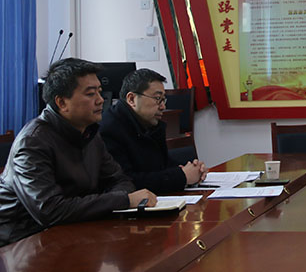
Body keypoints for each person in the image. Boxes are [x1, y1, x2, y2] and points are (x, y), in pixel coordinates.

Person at [0, 58, 156, 246]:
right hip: (21, 243)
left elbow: (120, 180)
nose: (100, 100)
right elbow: (49, 210)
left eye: (99, 91)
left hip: (73, 230)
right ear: (62, 102)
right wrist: (122, 200)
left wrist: (115, 199)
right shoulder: (32, 143)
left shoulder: (89, 134)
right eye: (90, 94)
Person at [99, 69, 208, 194]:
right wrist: (182, 176)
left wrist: (192, 169)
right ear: (131, 99)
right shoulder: (109, 130)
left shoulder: (149, 125)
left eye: (163, 100)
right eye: (157, 98)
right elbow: (127, 182)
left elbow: (162, 165)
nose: (163, 107)